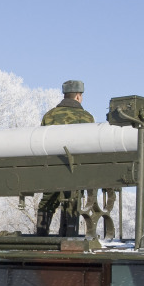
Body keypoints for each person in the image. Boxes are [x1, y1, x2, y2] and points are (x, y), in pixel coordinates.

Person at [36, 80, 94, 236]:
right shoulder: (86, 117)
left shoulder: (49, 116)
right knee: (72, 202)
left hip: (51, 170)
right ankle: (69, 237)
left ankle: (40, 236)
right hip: (74, 172)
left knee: (47, 202)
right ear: (78, 96)